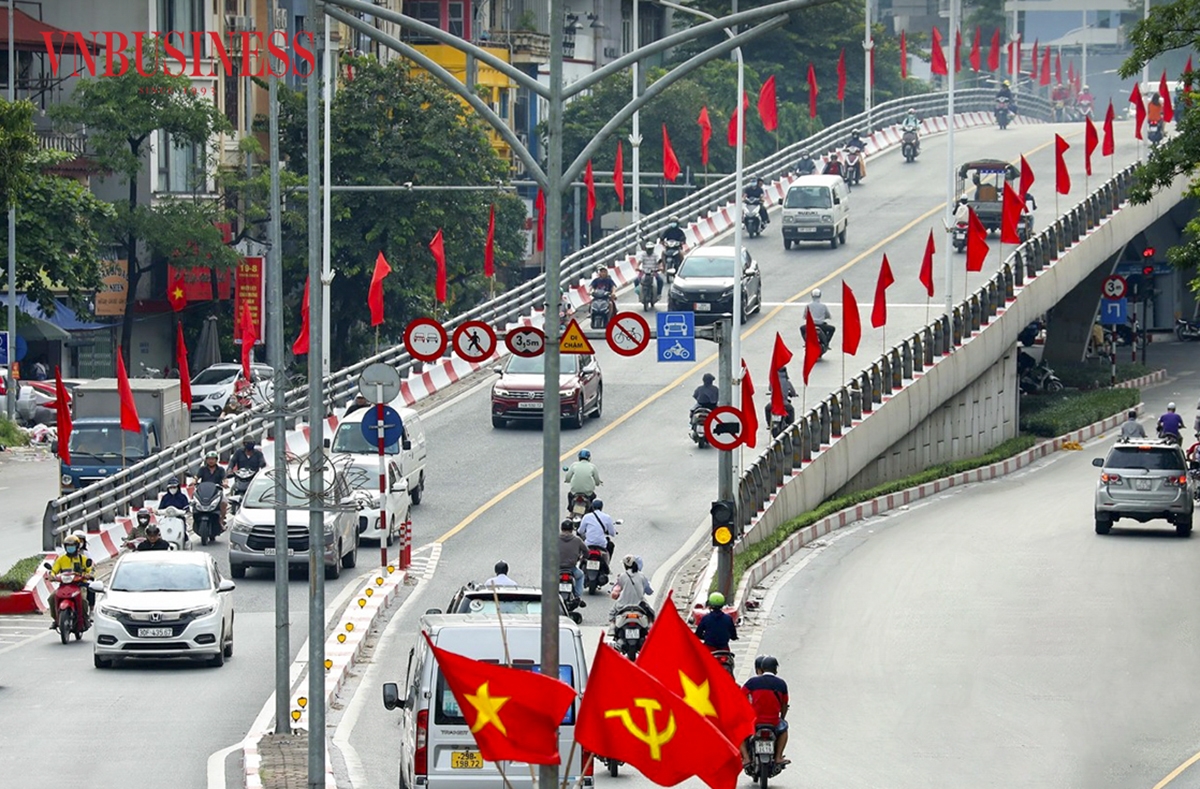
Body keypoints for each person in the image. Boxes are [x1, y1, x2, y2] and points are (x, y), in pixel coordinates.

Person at [740, 655, 790, 768]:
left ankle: (746, 758)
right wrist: (782, 717)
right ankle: (778, 757)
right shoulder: (781, 683)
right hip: (773, 722)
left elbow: (740, 697)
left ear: (761, 668)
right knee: (784, 730)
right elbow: (784, 704)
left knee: (738, 731)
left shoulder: (752, 682)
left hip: (754, 721)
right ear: (775, 669)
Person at [48, 534, 94, 628]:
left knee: (83, 600)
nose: (70, 548)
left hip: (79, 585)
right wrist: (52, 576)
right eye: (68, 546)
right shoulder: (61, 559)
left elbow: (91, 569)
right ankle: (56, 619)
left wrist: (89, 575)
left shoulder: (83, 559)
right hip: (64, 586)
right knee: (52, 598)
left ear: (77, 546)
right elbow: (54, 570)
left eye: (72, 546)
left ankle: (85, 619)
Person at [609, 555, 654, 622]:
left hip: (623, 604)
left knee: (612, 615)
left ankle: (611, 630)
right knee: (651, 615)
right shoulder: (642, 576)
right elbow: (649, 591)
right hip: (639, 604)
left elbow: (617, 589)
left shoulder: (622, 576)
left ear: (625, 565)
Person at [578, 499, 618, 569]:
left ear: (592, 507)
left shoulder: (586, 517)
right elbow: (612, 533)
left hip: (588, 545)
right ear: (601, 507)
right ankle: (607, 565)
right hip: (602, 545)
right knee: (611, 545)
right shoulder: (607, 517)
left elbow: (580, 531)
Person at [557, 521, 588, 605]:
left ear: (561, 528)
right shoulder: (577, 540)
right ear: (572, 530)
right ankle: (578, 597)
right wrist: (582, 558)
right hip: (571, 568)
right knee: (580, 575)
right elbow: (586, 551)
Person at [195, 450, 228, 524]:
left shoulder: (221, 470)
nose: (211, 461)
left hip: (217, 492)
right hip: (204, 492)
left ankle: (221, 520)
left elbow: (225, 479)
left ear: (216, 460)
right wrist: (194, 481)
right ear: (206, 460)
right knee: (194, 503)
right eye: (209, 459)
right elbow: (196, 477)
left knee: (224, 502)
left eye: (213, 459)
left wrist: (225, 483)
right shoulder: (202, 469)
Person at [636, 238, 663, 302]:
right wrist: (637, 267)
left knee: (660, 281)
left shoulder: (655, 255)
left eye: (650, 249)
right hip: (644, 272)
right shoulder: (643, 255)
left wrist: (660, 267)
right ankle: (639, 293)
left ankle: (658, 294)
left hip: (653, 272)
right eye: (648, 249)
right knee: (636, 280)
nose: (649, 250)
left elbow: (659, 262)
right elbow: (639, 262)